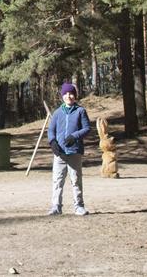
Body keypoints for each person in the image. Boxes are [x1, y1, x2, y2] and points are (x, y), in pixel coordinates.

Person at [46, 83, 91, 216]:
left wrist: (74, 136)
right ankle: (56, 206)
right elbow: (51, 130)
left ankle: (79, 206)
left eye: (71, 93)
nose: (68, 96)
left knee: (76, 180)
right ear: (62, 96)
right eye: (65, 94)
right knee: (57, 180)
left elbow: (87, 128)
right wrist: (52, 142)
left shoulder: (80, 111)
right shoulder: (57, 113)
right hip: (59, 153)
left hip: (74, 152)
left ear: (75, 96)